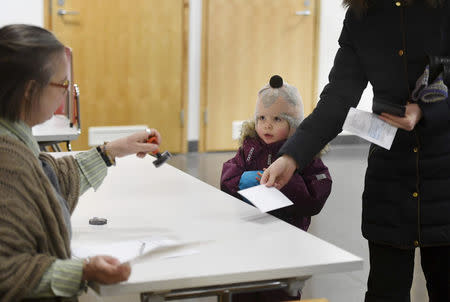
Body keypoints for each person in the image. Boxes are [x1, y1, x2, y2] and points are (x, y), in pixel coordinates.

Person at [260, 1, 450, 301]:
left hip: (444, 172)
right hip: (390, 179)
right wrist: (291, 157)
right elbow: (338, 96)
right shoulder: (363, 15)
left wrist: (424, 110)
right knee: (385, 291)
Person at [0, 24, 162, 302]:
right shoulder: (6, 161)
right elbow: (7, 273)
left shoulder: (14, 131)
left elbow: (45, 179)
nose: (66, 92)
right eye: (62, 84)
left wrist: (112, 150)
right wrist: (83, 271)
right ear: (29, 90)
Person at [220, 75, 332, 302]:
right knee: (244, 291)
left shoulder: (304, 155)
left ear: (294, 126)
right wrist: (242, 179)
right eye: (261, 118)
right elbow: (227, 176)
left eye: (277, 119)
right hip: (248, 240)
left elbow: (317, 193)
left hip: (287, 243)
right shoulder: (250, 148)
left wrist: (286, 182)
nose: (267, 125)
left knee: (279, 293)